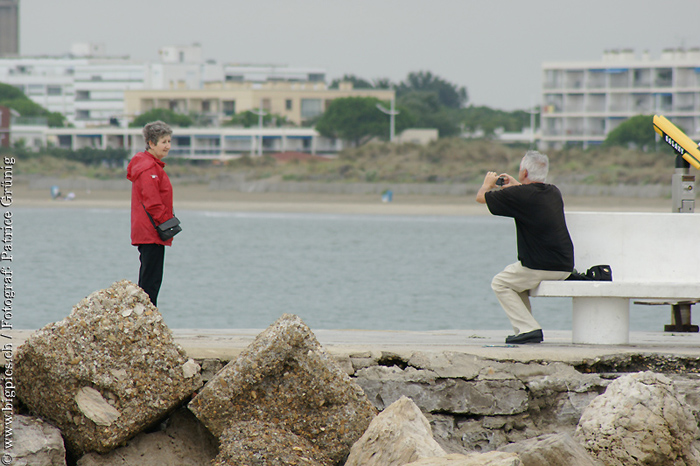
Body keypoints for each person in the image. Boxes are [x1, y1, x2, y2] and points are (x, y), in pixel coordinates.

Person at [476, 150, 573, 344]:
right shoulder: (553, 192)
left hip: (539, 266)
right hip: (563, 266)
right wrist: (516, 185)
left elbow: (482, 198)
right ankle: (523, 330)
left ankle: (530, 329)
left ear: (524, 173)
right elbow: (530, 195)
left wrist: (487, 184)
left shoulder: (520, 195)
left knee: (500, 283)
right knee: (512, 279)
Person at [127, 120, 175, 307]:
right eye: (164, 142)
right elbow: (153, 203)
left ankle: (146, 316)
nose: (168, 146)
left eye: (169, 141)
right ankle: (146, 317)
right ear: (151, 143)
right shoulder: (148, 168)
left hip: (152, 231)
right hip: (151, 232)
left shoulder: (152, 166)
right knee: (150, 281)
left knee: (151, 278)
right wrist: (168, 224)